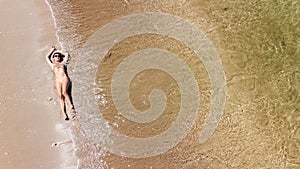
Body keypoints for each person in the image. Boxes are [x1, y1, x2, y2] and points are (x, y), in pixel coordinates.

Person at [46, 46, 76, 120]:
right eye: (55, 56)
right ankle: (64, 114)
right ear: (53, 58)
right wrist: (52, 51)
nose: (57, 57)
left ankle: (71, 106)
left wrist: (58, 51)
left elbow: (66, 54)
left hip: (64, 78)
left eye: (58, 56)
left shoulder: (63, 63)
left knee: (64, 92)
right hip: (58, 80)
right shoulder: (52, 65)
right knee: (60, 96)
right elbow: (47, 57)